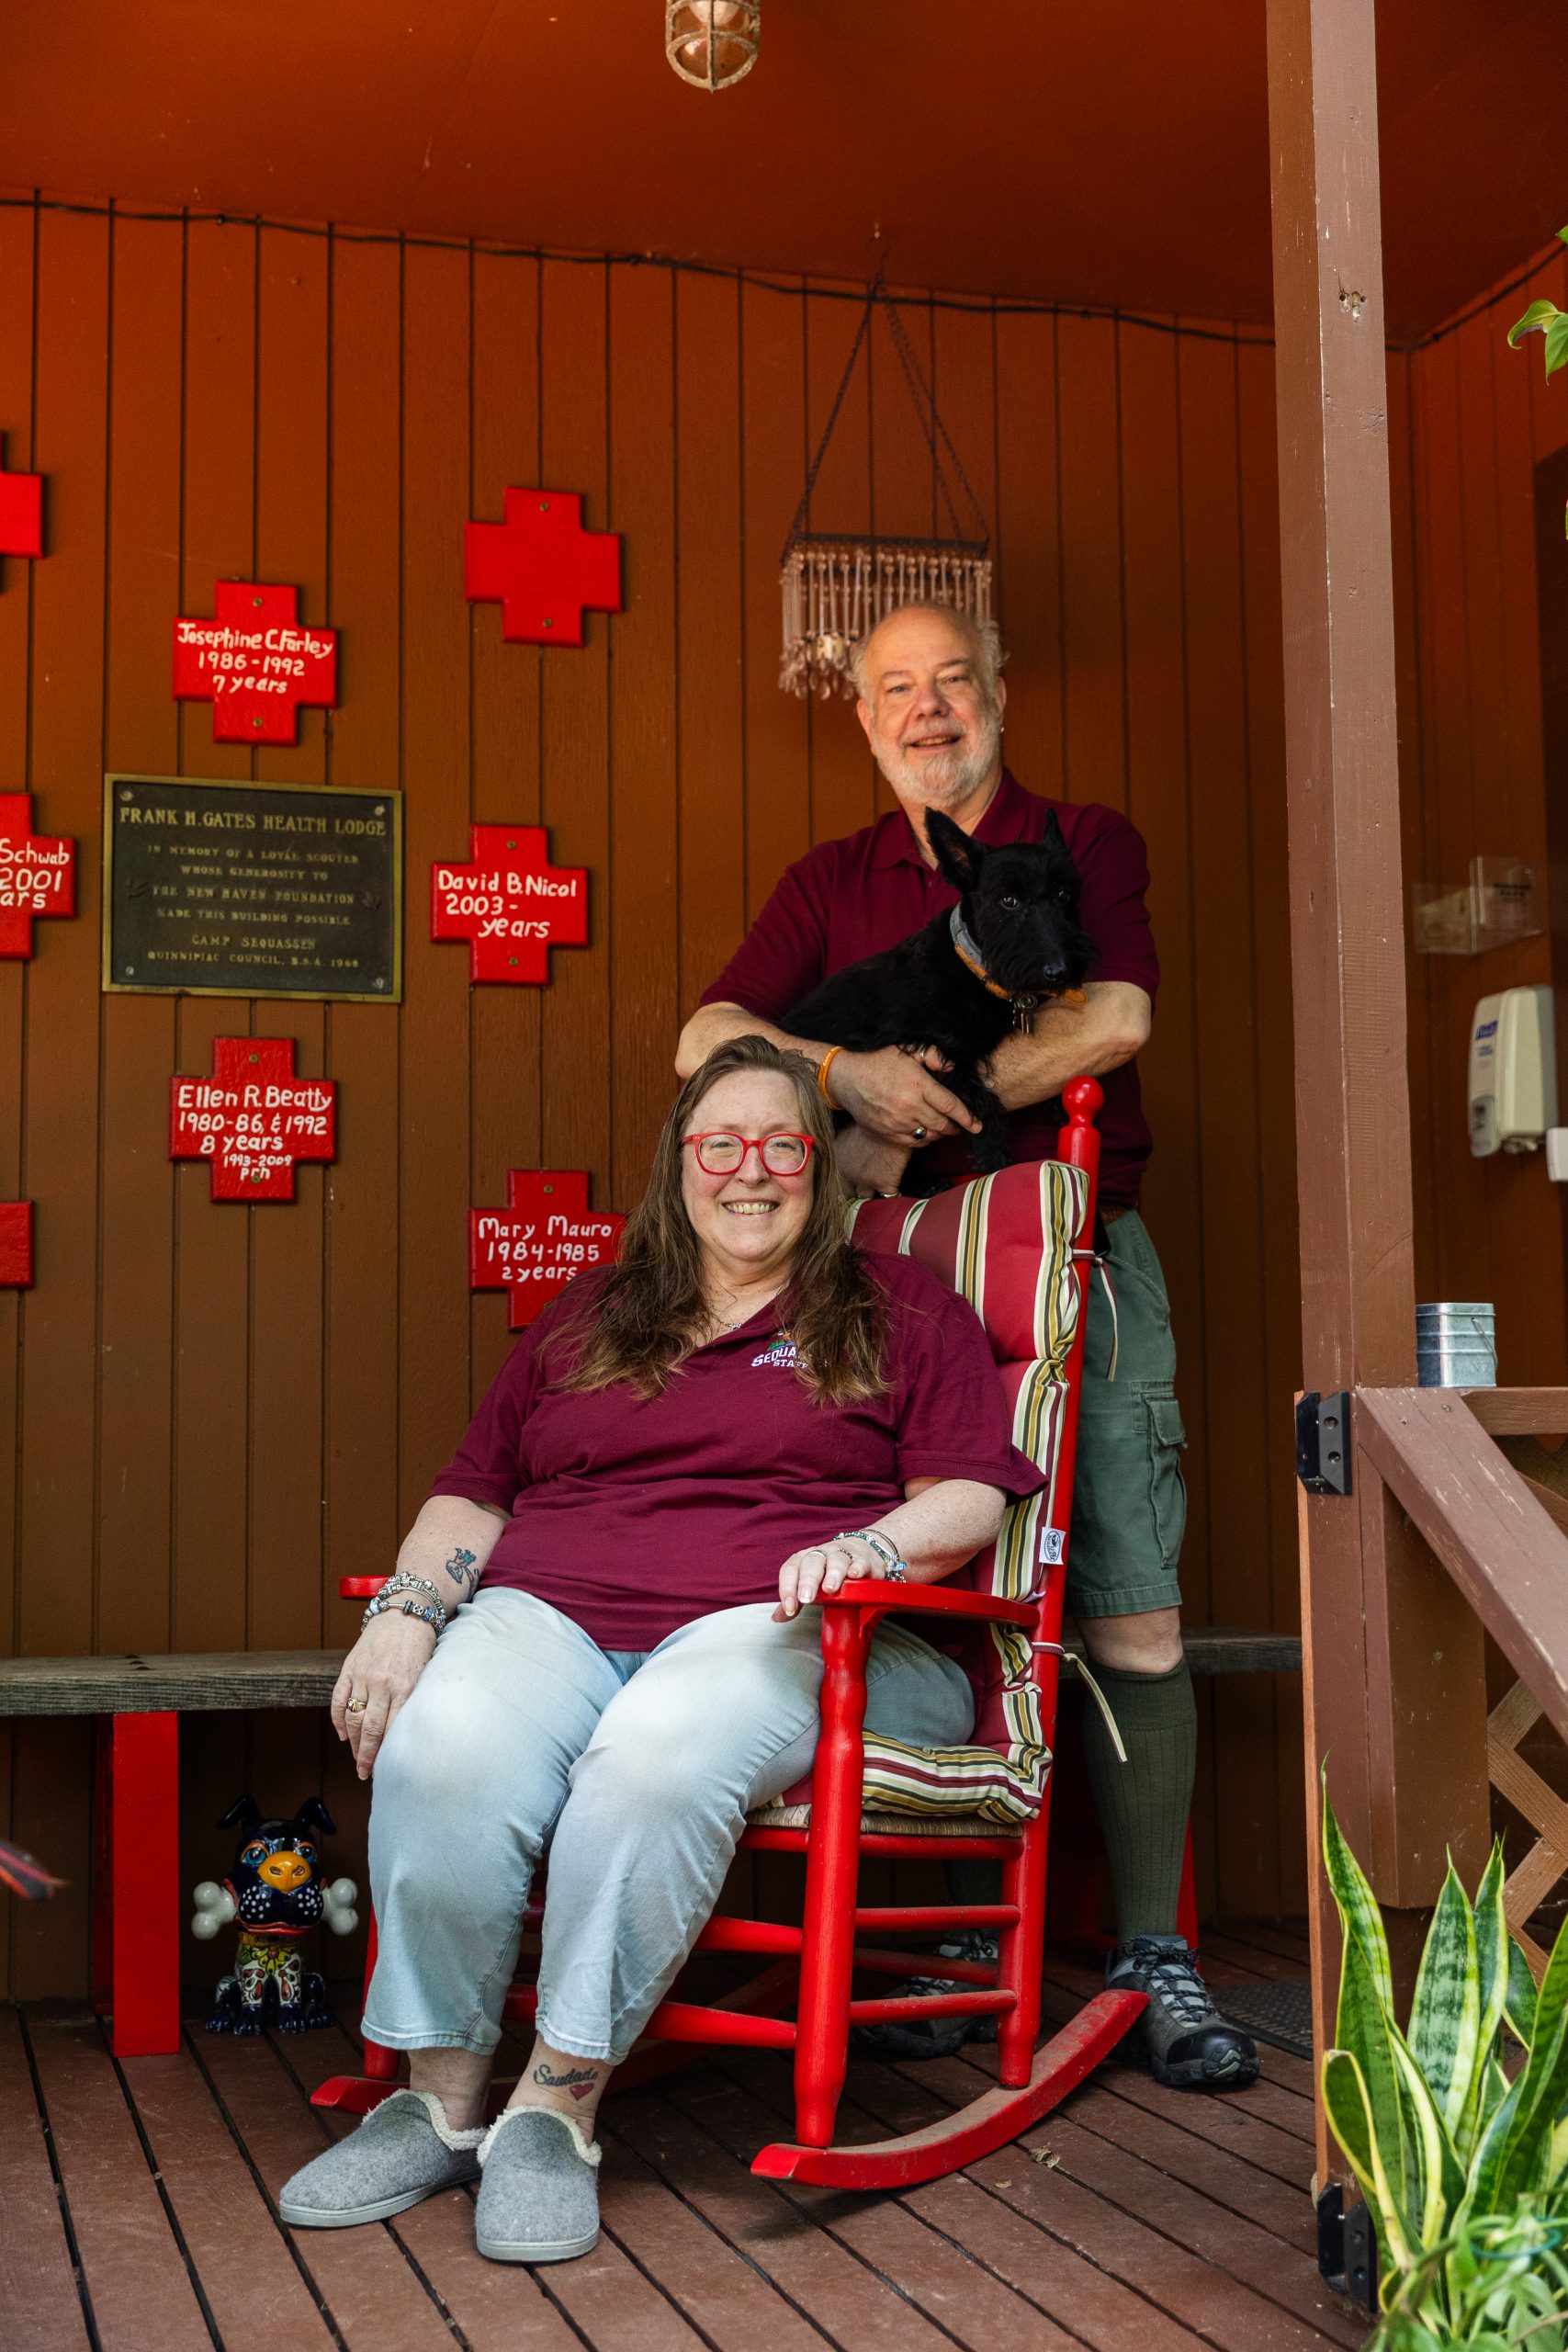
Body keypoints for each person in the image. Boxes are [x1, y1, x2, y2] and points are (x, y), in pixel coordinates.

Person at [277, 1035, 1045, 2265]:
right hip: (552, 1616)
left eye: (783, 1143)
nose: (754, 1172)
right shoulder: (599, 1304)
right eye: (721, 1144)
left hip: (781, 1627)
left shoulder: (903, 1309)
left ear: (821, 1166)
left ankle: (557, 2104)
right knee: (445, 1748)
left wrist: (870, 1551)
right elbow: (475, 1494)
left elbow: (965, 1496)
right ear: (678, 1166)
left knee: (654, 1759)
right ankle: (435, 2096)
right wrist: (410, 1609)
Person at [675, 603, 1258, 2090]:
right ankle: (936, 1951)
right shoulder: (835, 880)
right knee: (903, 1576)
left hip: (1075, 1255)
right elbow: (705, 1042)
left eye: (951, 682)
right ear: (863, 722)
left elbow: (1115, 1012)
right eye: (895, 691)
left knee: (1126, 1596)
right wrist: (849, 1071)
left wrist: (942, 1097)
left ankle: (1153, 1955)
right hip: (886, 1281)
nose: (927, 710)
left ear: (998, 693)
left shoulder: (1083, 840)